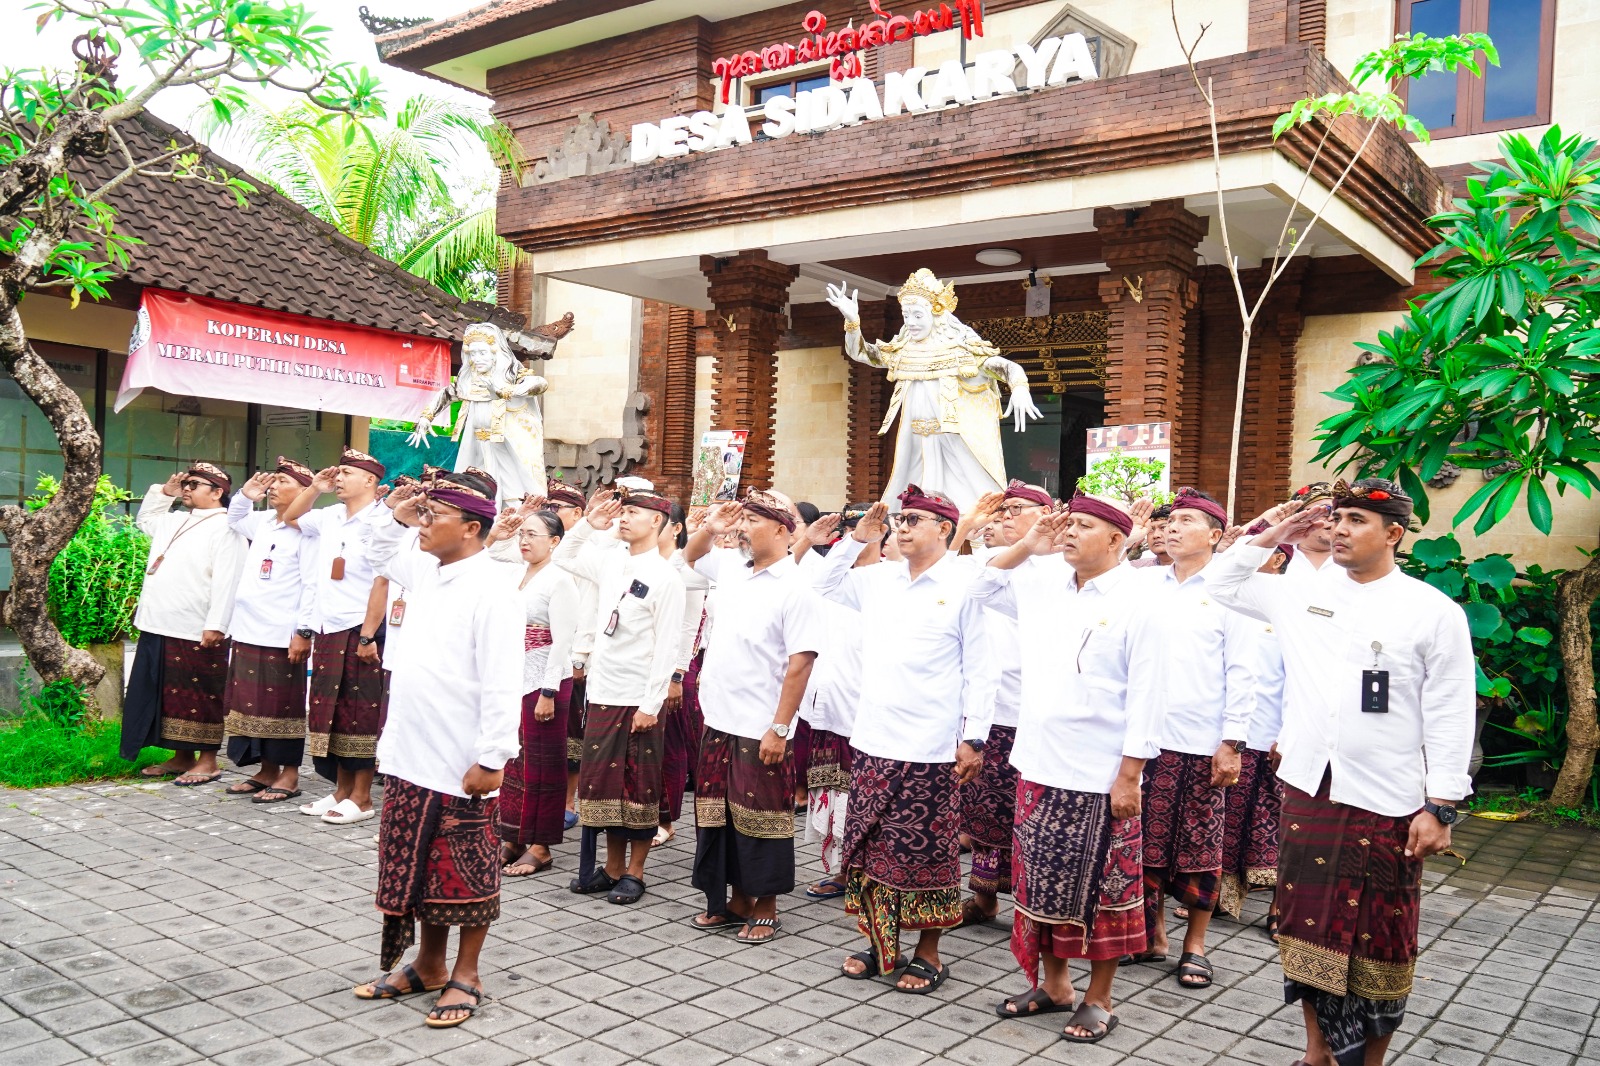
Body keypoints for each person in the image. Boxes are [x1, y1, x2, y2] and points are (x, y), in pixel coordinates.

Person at [1208, 478, 1474, 1066]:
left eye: (1357, 521)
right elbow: (1218, 580)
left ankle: (1367, 1060)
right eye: (1338, 518)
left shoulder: (1432, 611)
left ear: (1394, 534)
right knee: (1308, 928)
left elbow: (1452, 711)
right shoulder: (1299, 594)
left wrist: (1442, 804)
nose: (1341, 530)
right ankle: (1315, 1054)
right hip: (1310, 787)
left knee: (1383, 936)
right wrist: (1276, 533)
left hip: (1389, 797)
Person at [974, 492, 1160, 1042]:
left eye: (1083, 525)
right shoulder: (1041, 582)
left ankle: (1100, 998)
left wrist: (1130, 774)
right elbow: (979, 584)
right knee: (1038, 884)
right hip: (1038, 761)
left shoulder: (1139, 598)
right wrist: (1031, 543)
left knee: (1108, 890)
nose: (1070, 532)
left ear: (1116, 539)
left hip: (1102, 773)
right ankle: (1054, 986)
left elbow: (1149, 694)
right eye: (1068, 523)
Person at [353, 469, 522, 1029]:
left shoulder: (494, 589)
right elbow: (378, 545)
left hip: (460, 757)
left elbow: (502, 680)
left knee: (464, 870)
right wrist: (398, 508)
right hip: (411, 750)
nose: (422, 527)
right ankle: (427, 964)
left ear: (472, 528)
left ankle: (466, 974)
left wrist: (494, 757)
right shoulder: (427, 568)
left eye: (434, 517)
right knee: (420, 868)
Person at [809, 487, 996, 993]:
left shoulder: (967, 582)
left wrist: (974, 736)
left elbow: (982, 668)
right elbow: (820, 585)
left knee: (925, 854)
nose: (903, 527)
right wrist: (856, 540)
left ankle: (929, 954)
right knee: (869, 847)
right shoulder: (879, 579)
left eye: (915, 519)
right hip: (872, 737)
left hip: (932, 747)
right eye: (900, 519)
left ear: (945, 528)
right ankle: (877, 942)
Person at [1130, 488, 1254, 990]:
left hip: (1202, 741)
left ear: (1216, 535)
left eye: (1187, 520)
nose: (1173, 527)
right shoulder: (1144, 585)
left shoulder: (1231, 592)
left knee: (1200, 847)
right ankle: (1153, 935)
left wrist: (1233, 742)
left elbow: (1243, 672)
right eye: (1170, 519)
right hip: (1146, 740)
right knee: (1145, 845)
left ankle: (1195, 945)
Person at [684, 493, 822, 939]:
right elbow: (690, 554)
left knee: (761, 816)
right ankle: (732, 900)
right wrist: (712, 524)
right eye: (741, 519)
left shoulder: (796, 587)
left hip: (761, 723)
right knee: (716, 813)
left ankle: (766, 904)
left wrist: (780, 728)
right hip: (719, 717)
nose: (742, 528)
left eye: (752, 521)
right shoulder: (731, 568)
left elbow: (800, 663)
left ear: (783, 531)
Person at [553, 488, 686, 905]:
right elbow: (564, 557)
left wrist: (652, 703)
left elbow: (666, 646)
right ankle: (611, 868)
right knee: (603, 786)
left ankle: (635, 871)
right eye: (623, 511)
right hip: (604, 689)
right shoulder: (613, 560)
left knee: (637, 785)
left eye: (634, 513)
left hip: (638, 696)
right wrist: (593, 527)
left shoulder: (666, 577)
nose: (624, 518)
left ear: (658, 522)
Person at [960, 480, 1051, 928]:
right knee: (983, 813)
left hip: (1037, 714)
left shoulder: (1060, 567)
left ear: (1047, 514)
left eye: (1016, 509)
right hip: (992, 709)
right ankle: (984, 899)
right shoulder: (992, 564)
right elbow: (974, 589)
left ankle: (1031, 910)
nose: (1005, 517)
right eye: (1003, 511)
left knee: (1029, 815)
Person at [283, 449, 389, 826]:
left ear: (370, 481)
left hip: (361, 629)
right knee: (332, 713)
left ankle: (362, 797)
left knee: (360, 713)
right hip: (328, 625)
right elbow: (290, 515)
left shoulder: (385, 521)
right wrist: (315, 487)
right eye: (338, 472)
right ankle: (342, 791)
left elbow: (384, 581)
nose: (339, 478)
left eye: (346, 472)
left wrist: (369, 635)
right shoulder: (328, 517)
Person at [124, 464, 246, 784]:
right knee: (168, 696)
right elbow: (146, 520)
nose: (187, 488)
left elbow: (228, 580)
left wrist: (217, 623)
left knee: (200, 695)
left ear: (217, 492)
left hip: (197, 625)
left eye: (195, 484)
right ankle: (181, 757)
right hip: (160, 621)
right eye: (186, 482)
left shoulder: (227, 527)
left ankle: (207, 762)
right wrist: (166, 492)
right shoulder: (176, 520)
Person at [486, 504, 578, 876]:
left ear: (555, 541)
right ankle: (514, 837)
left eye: (533, 535)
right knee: (514, 761)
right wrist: (504, 530)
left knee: (543, 765)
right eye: (522, 534)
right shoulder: (516, 574)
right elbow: (489, 552)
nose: (524, 541)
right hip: (513, 675)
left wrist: (549, 692)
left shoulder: (560, 580)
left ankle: (540, 846)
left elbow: (563, 640)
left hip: (545, 680)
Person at [221, 458, 317, 803]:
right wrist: (246, 495)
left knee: (281, 707)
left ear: (305, 491)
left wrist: (303, 631)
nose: (273, 487)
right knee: (251, 704)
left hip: (281, 634)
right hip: (248, 629)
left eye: (281, 481)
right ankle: (265, 771)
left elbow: (312, 585)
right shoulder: (263, 521)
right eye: (272, 481)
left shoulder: (308, 530)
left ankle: (289, 776)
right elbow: (235, 520)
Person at [795, 502, 877, 898]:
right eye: (847, 530)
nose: (854, 536)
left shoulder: (890, 580)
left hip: (867, 711)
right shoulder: (828, 576)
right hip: (826, 703)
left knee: (864, 797)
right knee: (832, 793)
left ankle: (865, 870)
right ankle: (843, 868)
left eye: (863, 529)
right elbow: (800, 581)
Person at [1218, 543, 1292, 938]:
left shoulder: (1290, 603)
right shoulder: (1233, 599)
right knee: (1231, 820)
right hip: (1240, 731)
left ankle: (1283, 904)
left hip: (1277, 734)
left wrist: (1289, 731)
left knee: (1275, 823)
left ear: (1279, 558)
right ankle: (1223, 898)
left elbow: (1299, 678)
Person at [658, 502, 710, 847]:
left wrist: (677, 675)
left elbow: (690, 626)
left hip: (679, 668)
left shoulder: (687, 572)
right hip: (640, 666)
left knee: (673, 744)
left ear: (677, 528)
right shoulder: (637, 564)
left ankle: (667, 818)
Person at [544, 483, 591, 829]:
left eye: (558, 505)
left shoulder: (590, 548)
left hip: (576, 649)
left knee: (574, 730)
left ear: (578, 513)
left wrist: (579, 655)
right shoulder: (543, 543)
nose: (552, 509)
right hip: (542, 649)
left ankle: (567, 799)